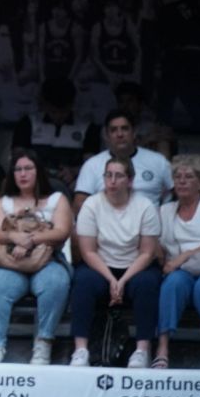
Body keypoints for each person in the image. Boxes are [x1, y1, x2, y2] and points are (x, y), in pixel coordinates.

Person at [69, 156, 162, 368]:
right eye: (108, 175)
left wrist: (123, 280)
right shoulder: (92, 204)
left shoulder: (145, 206)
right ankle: (80, 349)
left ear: (130, 180)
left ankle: (142, 350)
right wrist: (111, 279)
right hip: (100, 265)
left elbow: (147, 253)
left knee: (147, 283)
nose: (112, 181)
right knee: (83, 281)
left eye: (118, 176)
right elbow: (88, 251)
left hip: (136, 266)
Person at [0, 149, 72, 365]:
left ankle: (43, 344)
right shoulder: (4, 202)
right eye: (18, 169)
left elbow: (62, 231)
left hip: (47, 261)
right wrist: (13, 236)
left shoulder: (56, 199)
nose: (22, 174)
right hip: (11, 263)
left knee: (56, 282)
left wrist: (31, 240)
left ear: (38, 171)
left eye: (28, 168)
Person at [154, 155, 200, 369]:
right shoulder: (165, 210)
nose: (181, 181)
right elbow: (160, 246)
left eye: (188, 177)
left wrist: (184, 256)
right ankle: (162, 349)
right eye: (178, 177)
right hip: (179, 269)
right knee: (172, 284)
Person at [73, 110, 173, 213]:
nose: (120, 134)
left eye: (125, 129)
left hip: (149, 221)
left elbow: (178, 193)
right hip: (106, 221)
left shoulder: (158, 161)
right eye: (113, 130)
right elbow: (79, 204)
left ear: (134, 132)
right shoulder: (92, 165)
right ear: (106, 135)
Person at [11, 77, 100, 191]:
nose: (58, 116)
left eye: (63, 111)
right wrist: (36, 169)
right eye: (53, 111)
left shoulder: (87, 128)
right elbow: (17, 155)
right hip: (35, 180)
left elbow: (91, 163)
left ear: (71, 105)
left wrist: (74, 171)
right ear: (45, 105)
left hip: (71, 183)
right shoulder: (28, 123)